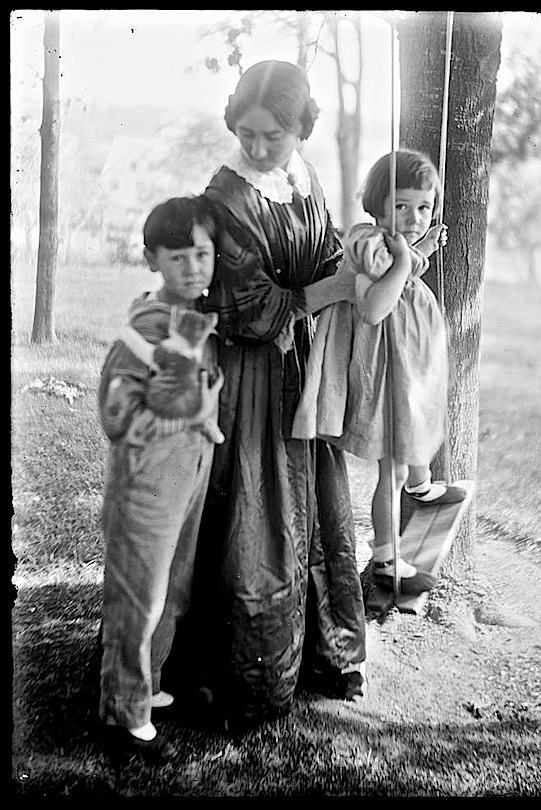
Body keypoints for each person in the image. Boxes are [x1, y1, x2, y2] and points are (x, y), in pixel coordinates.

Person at [162, 61, 366, 730]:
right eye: (246, 133)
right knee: (252, 518)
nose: (256, 147)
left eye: (272, 135)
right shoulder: (227, 197)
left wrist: (360, 260)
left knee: (313, 510)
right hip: (249, 377)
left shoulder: (303, 181)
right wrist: (327, 291)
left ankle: (317, 657)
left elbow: (328, 253)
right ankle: (239, 676)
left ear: (300, 129)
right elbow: (246, 307)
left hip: (300, 366)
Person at [292, 149, 466, 595]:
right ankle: (387, 557)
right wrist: (408, 260)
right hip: (385, 370)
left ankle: (424, 485)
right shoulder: (369, 242)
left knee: (418, 424)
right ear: (376, 204)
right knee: (392, 467)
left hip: (406, 365)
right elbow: (373, 307)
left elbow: (403, 267)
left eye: (423, 207)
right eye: (401, 206)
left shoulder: (398, 244)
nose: (413, 217)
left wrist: (419, 251)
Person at [97, 196, 223, 762]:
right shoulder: (147, 326)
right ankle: (123, 713)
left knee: (171, 588)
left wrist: (203, 424)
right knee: (139, 599)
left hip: (185, 476)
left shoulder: (194, 319)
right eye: (178, 258)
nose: (194, 268)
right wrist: (188, 417)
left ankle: (145, 688)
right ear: (153, 260)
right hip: (146, 483)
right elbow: (117, 414)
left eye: (203, 253)